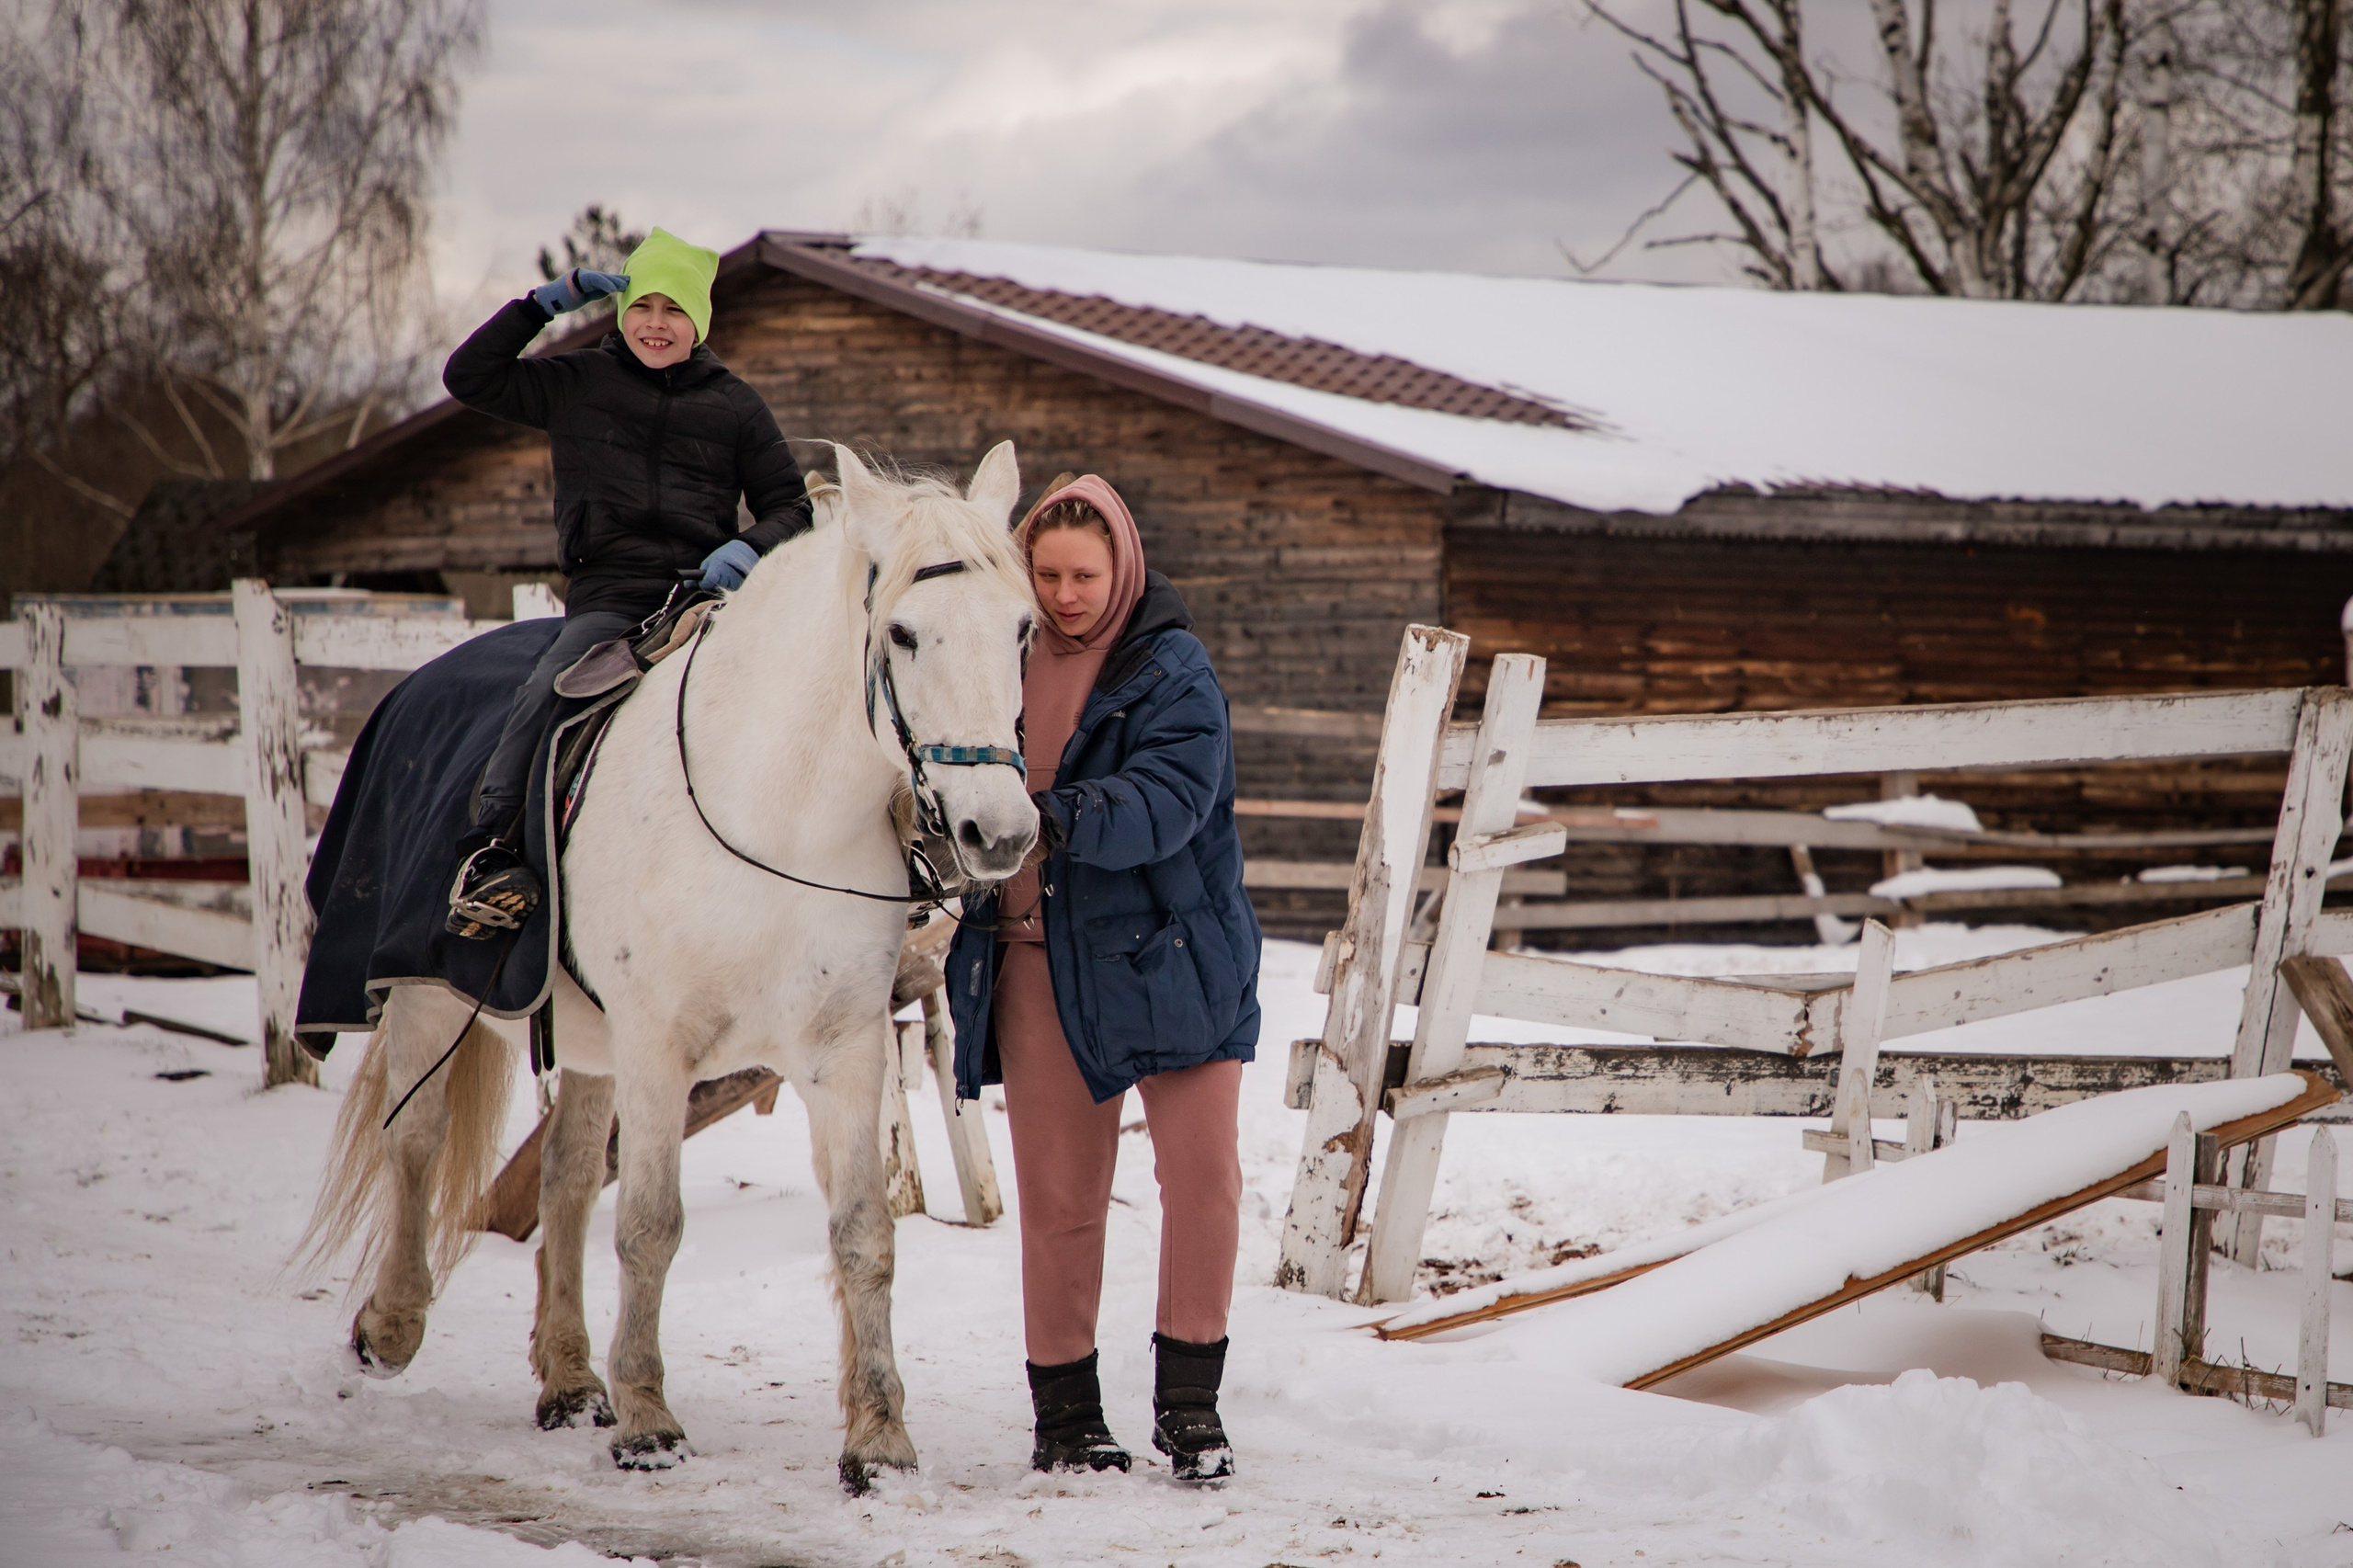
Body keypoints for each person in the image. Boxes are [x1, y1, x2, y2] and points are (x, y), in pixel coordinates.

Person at [945, 474, 1262, 1483]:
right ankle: (1068, 1416)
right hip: (1038, 955)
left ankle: (1191, 1408)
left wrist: (1055, 815)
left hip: (1174, 951)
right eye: (1048, 573)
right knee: (1059, 1197)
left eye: (1085, 573)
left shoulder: (1171, 668)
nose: (1067, 593)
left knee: (1202, 1181)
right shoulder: (997, 656)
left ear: (1122, 565)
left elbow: (1170, 797)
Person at [438, 228, 810, 937]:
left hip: (708, 599)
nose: (656, 324)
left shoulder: (735, 405)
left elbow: (793, 506)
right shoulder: (578, 382)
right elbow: (469, 377)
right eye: (644, 306)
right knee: (548, 692)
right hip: (611, 599)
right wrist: (543, 307)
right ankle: (492, 851)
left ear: (698, 322)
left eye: (675, 311)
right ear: (621, 311)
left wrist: (747, 549)